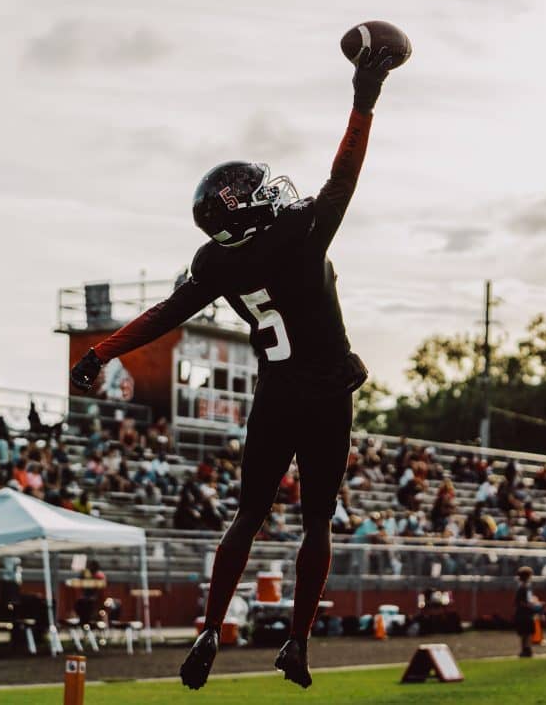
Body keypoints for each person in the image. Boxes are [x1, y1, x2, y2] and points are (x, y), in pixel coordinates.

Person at [69, 46, 395, 691]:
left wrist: (102, 350)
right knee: (318, 521)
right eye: (256, 191)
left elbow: (166, 313)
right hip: (326, 393)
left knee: (247, 517)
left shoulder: (216, 262)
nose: (271, 192)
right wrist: (364, 99)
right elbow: (344, 175)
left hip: (275, 394)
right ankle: (297, 642)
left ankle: (209, 630)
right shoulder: (301, 231)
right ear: (244, 208)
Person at [514, 566, 540, 658]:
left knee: (524, 633)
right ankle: (527, 649)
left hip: (521, 613)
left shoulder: (520, 587)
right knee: (527, 632)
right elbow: (525, 601)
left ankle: (524, 650)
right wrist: (534, 605)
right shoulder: (525, 588)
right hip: (526, 613)